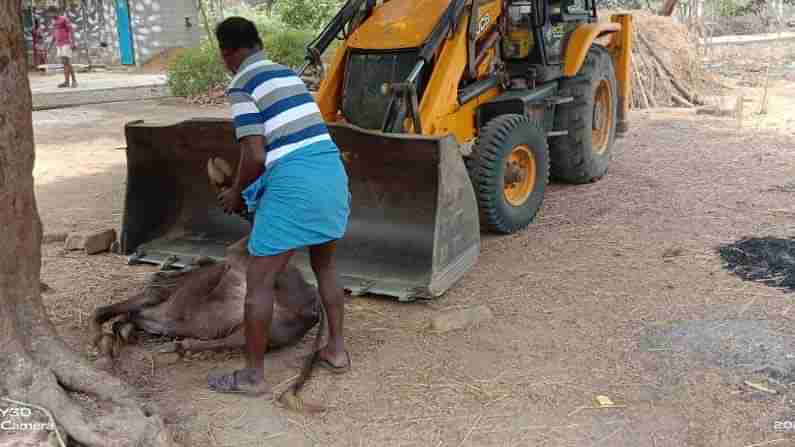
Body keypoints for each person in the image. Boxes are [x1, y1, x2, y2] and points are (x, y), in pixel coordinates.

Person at [207, 17, 352, 396]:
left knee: (259, 283)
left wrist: (237, 192)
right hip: (331, 172)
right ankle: (336, 350)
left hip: (295, 185)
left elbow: (255, 153)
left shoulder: (241, 84)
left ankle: (253, 377)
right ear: (258, 43)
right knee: (326, 264)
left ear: (228, 53)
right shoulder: (285, 74)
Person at [52, 12, 77, 88]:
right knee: (64, 63)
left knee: (67, 62)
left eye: (52, 12)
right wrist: (51, 43)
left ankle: (74, 81)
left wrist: (73, 42)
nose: (51, 15)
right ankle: (66, 82)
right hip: (58, 44)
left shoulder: (64, 19)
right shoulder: (53, 21)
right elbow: (55, 32)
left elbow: (71, 30)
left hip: (66, 43)